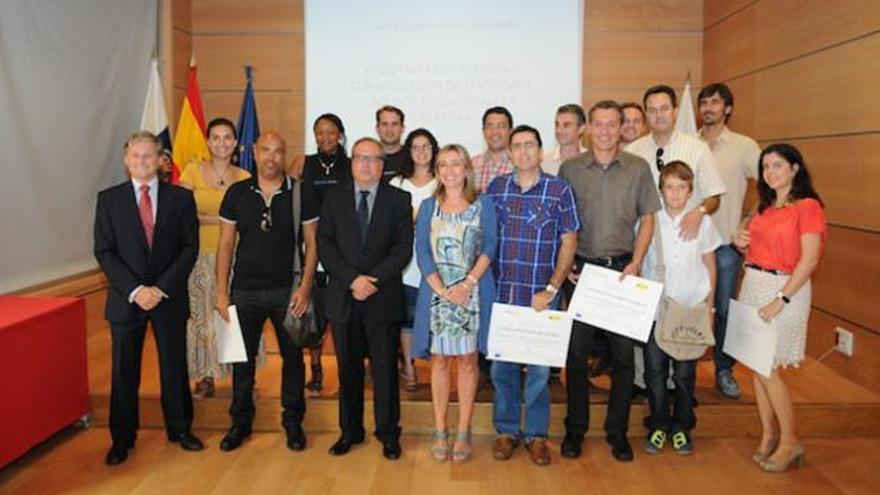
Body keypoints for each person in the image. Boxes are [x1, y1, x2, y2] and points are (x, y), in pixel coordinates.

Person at [558, 100, 660, 462]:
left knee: (622, 360)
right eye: (597, 124)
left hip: (621, 273)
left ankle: (617, 432)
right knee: (575, 356)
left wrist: (635, 262)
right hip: (581, 272)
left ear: (621, 129)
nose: (604, 131)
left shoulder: (638, 167)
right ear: (587, 129)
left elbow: (648, 218)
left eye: (611, 124)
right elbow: (562, 221)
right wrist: (565, 262)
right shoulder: (570, 169)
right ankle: (575, 430)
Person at [94, 131, 203, 466]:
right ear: (127, 160)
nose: (142, 161)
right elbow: (104, 251)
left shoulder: (181, 199)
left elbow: (189, 248)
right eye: (135, 156)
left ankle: (180, 429)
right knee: (124, 372)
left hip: (168, 297)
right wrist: (137, 291)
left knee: (174, 367)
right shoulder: (108, 200)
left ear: (160, 160)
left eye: (148, 156)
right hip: (126, 300)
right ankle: (122, 439)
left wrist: (160, 288)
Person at [215, 131, 319, 452]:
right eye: (266, 150)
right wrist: (221, 293)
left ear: (285, 155)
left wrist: (304, 288)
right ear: (255, 154)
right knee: (240, 361)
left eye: (278, 151)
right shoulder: (236, 193)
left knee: (293, 359)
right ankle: (240, 423)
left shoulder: (301, 193)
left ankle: (293, 422)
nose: (272, 157)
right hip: (243, 292)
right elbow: (225, 245)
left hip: (287, 293)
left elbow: (313, 245)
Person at [486, 125, 579, 466]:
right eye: (517, 146)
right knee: (502, 369)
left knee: (540, 372)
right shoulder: (496, 190)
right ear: (509, 153)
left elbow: (569, 240)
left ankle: (537, 435)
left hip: (543, 298)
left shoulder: (559, 190)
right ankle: (507, 431)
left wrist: (553, 287)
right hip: (503, 295)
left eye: (530, 145)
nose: (524, 151)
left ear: (541, 152)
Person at [318, 137, 413, 460]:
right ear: (352, 161)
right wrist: (351, 280)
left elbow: (402, 250)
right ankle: (350, 431)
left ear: (382, 165)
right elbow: (325, 245)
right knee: (348, 369)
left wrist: (371, 281)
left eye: (373, 159)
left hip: (382, 297)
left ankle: (388, 433)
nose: (366, 164)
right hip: (344, 297)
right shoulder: (333, 197)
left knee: (385, 369)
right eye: (360, 158)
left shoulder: (399, 200)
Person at [733, 143, 826, 472]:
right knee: (757, 367)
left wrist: (781, 299)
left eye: (777, 166)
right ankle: (769, 434)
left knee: (768, 368)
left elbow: (810, 258)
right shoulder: (765, 204)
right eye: (765, 167)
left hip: (785, 290)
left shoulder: (808, 206)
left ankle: (790, 442)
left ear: (795, 168)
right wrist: (739, 239)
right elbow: (748, 238)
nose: (770, 173)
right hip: (754, 284)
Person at [412, 144, 497, 463]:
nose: (449, 170)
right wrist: (441, 288)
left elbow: (490, 247)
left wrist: (467, 285)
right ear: (437, 170)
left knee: (467, 361)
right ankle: (439, 430)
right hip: (437, 296)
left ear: (466, 170)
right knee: (440, 361)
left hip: (472, 293)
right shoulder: (427, 206)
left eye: (456, 164)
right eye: (443, 164)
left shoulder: (483, 204)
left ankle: (463, 431)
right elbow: (422, 251)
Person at [641, 161, 722, 456]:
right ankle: (659, 423)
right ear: (660, 190)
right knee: (654, 372)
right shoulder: (650, 219)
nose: (675, 193)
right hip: (657, 310)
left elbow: (710, 265)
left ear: (691, 192)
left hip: (691, 308)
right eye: (669, 187)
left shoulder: (702, 222)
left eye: (682, 187)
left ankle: (682, 426)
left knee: (685, 375)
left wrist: (710, 307)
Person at [179, 118, 251, 400]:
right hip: (198, 256)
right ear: (208, 142)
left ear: (235, 143)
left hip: (236, 257)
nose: (222, 143)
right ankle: (205, 376)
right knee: (201, 319)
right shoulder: (192, 172)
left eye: (227, 138)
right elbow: (181, 214)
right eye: (216, 138)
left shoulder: (245, 177)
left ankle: (242, 378)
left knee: (233, 319)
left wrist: (215, 221)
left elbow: (248, 218)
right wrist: (222, 220)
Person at [698, 82, 762, 400]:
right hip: (688, 245)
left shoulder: (744, 146)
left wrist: (747, 222)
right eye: (704, 102)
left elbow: (772, 186)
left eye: (715, 102)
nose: (708, 108)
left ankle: (724, 369)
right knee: (686, 306)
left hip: (724, 245)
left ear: (728, 109)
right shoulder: (688, 142)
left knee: (724, 310)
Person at [296, 113, 352, 397]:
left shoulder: (352, 166)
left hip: (343, 252)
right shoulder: (302, 164)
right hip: (311, 249)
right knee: (313, 319)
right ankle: (316, 371)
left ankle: (346, 376)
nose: (325, 137)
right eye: (319, 132)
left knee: (343, 321)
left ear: (340, 134)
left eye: (331, 132)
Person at [389, 128, 439, 391]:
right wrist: (420, 213)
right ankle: (409, 369)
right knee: (407, 319)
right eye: (416, 147)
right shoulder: (397, 183)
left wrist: (415, 213)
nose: (421, 152)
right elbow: (392, 223)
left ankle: (436, 371)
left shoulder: (444, 181)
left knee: (436, 319)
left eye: (427, 146)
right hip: (407, 266)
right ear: (408, 151)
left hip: (438, 265)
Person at [473, 106, 514, 192]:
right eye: (490, 126)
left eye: (501, 126)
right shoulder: (472, 164)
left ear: (511, 131)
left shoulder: (519, 165)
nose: (495, 132)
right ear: (483, 132)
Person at [542, 104, 588, 176]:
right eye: (557, 125)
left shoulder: (591, 161)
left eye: (566, 125)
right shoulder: (543, 162)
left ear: (581, 128)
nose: (559, 130)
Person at [375, 105, 407, 181]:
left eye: (394, 124)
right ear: (377, 129)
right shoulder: (370, 158)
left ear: (402, 128)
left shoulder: (412, 157)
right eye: (385, 124)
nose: (389, 129)